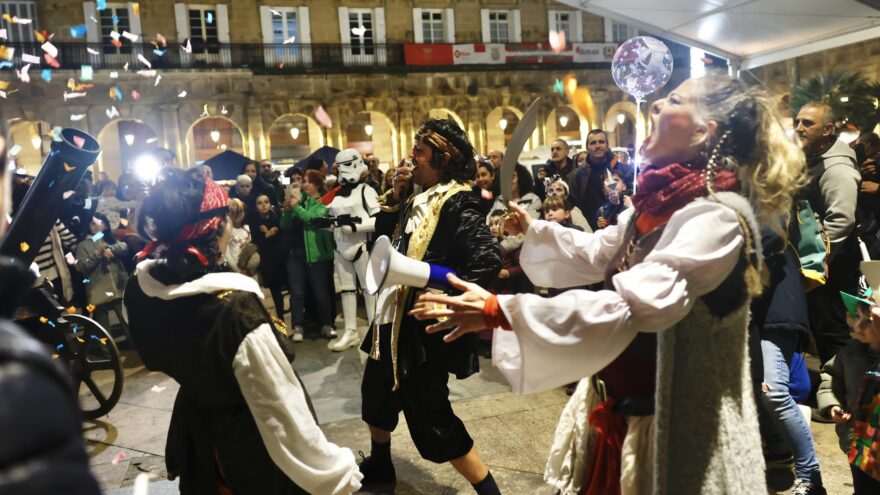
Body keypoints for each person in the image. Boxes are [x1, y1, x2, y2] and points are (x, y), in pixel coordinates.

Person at [413, 74, 805, 494]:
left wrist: (501, 311)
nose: (655, 105)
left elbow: (635, 307)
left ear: (702, 132)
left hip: (684, 434)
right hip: (625, 418)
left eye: (673, 100)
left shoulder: (719, 217)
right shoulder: (653, 205)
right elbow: (598, 253)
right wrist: (534, 230)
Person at [124, 168, 362, 494]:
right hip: (248, 452)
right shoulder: (234, 313)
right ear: (218, 226)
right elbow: (283, 413)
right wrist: (335, 468)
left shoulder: (140, 292)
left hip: (199, 441)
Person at [357, 118, 502, 494]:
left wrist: (449, 301)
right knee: (375, 395)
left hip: (421, 330)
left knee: (432, 416)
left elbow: (486, 261)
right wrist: (396, 196)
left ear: (442, 157)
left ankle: (489, 490)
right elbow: (386, 244)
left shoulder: (458, 200)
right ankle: (381, 466)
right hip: (392, 318)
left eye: (419, 152)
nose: (411, 157)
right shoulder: (418, 197)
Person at [795, 102, 861, 364]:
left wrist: (818, 261)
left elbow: (841, 220)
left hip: (831, 264)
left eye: (807, 123)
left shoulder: (836, 168)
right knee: (823, 326)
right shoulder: (814, 158)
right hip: (819, 259)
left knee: (830, 328)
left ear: (828, 130)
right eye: (797, 121)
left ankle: (845, 391)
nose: (799, 128)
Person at [817, 268, 880, 494]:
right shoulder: (850, 354)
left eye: (869, 320)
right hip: (857, 444)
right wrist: (832, 403)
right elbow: (831, 377)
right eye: (857, 317)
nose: (856, 326)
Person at [325, 149, 380, 351]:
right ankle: (351, 332)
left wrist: (356, 227)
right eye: (340, 166)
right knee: (347, 291)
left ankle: (376, 331)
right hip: (341, 247)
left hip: (361, 245)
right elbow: (333, 221)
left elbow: (378, 219)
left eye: (347, 164)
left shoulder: (366, 191)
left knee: (368, 289)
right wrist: (327, 224)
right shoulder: (337, 195)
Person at [281, 170, 337, 342]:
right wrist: (288, 210)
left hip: (317, 254)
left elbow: (312, 218)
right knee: (297, 293)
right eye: (303, 181)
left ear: (317, 184)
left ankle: (326, 325)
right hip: (295, 254)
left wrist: (296, 207)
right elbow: (283, 225)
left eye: (308, 181)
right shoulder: (300, 201)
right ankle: (297, 326)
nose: (304, 184)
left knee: (320, 292)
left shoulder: (323, 201)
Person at [75, 215, 130, 340]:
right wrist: (98, 254)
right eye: (92, 224)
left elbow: (124, 248)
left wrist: (110, 248)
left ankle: (137, 346)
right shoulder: (83, 245)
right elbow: (81, 266)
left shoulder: (110, 239)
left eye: (99, 223)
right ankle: (108, 354)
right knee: (103, 328)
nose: (96, 226)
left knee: (127, 321)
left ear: (105, 225)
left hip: (118, 286)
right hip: (97, 289)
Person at [571, 129, 634, 230]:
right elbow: (575, 205)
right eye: (593, 143)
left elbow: (634, 197)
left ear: (607, 145)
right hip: (589, 231)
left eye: (601, 142)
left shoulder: (624, 170)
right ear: (587, 147)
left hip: (620, 228)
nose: (598, 146)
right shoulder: (578, 174)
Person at [249, 193, 288, 321]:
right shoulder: (254, 222)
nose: (264, 205)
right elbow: (255, 242)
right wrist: (267, 235)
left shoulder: (277, 217)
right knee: (275, 291)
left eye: (266, 202)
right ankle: (280, 320)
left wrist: (269, 234)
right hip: (267, 261)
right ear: (256, 207)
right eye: (260, 203)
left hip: (280, 258)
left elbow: (282, 235)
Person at [224, 198, 260, 276]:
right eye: (235, 211)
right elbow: (226, 252)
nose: (238, 214)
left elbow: (250, 248)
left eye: (240, 211)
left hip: (249, 270)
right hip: (233, 269)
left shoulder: (247, 228)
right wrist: (237, 270)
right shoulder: (228, 231)